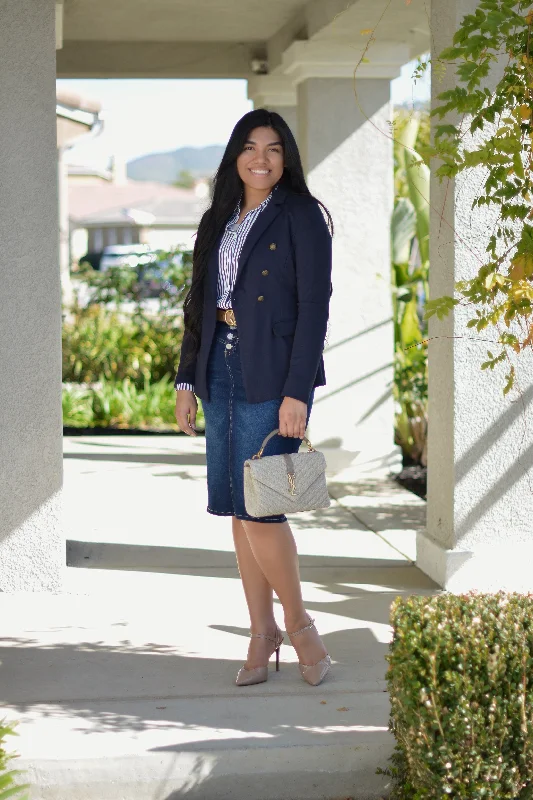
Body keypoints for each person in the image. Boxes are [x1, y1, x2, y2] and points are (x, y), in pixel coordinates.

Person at [174, 109, 333, 687]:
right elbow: (198, 301)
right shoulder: (218, 217)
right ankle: (260, 634)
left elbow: (315, 307)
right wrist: (187, 380)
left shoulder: (302, 215)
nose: (260, 158)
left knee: (261, 507)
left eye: (272, 148)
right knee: (239, 514)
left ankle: (301, 628)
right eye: (249, 147)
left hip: (273, 372)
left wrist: (299, 393)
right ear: (235, 157)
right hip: (220, 366)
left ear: (285, 157)